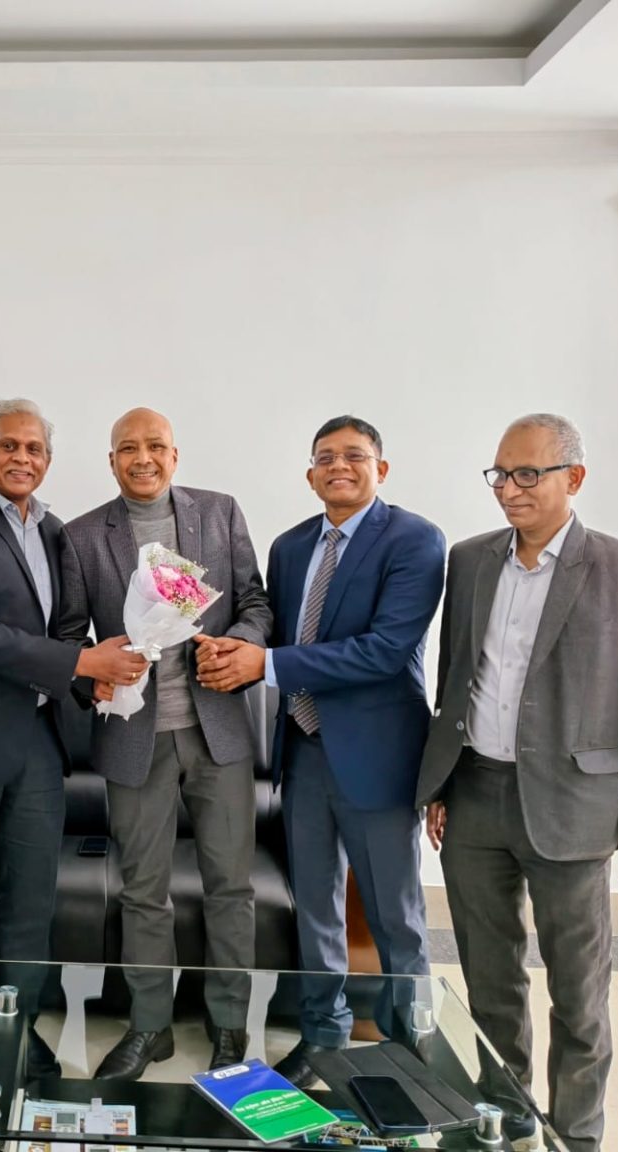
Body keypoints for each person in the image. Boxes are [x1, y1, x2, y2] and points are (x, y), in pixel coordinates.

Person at [416, 414, 618, 1152]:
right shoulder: (470, 561)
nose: (510, 489)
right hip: (474, 798)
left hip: (574, 809)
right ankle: (504, 1124)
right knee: (489, 985)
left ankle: (576, 1138)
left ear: (575, 477)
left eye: (528, 474)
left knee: (579, 996)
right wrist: (440, 782)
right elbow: (456, 679)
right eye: (500, 475)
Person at [0, 399, 149, 1090]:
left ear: (48, 459)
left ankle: (17, 1025)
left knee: (30, 901)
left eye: (34, 448)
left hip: (39, 745)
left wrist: (96, 675)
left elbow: (64, 628)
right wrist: (84, 662)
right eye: (8, 445)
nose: (22, 458)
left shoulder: (52, 530)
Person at [196, 415, 445, 1085]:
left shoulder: (415, 540)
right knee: (315, 910)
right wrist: (222, 645)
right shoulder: (290, 546)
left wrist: (265, 665)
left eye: (354, 456)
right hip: (302, 752)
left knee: (397, 918)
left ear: (380, 470)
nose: (339, 466)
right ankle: (322, 1038)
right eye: (325, 457)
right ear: (310, 475)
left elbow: (385, 650)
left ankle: (410, 1051)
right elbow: (272, 630)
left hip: (378, 758)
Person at [59, 407, 272, 1077]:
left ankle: (229, 1025)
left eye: (155, 446)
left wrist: (240, 645)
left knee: (230, 887)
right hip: (135, 738)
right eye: (128, 448)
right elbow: (68, 636)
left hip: (218, 732)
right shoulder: (82, 535)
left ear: (175, 456)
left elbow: (256, 603)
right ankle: (150, 1027)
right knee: (142, 891)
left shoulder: (220, 513)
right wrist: (94, 670)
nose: (142, 457)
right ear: (112, 461)